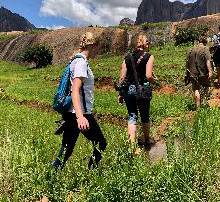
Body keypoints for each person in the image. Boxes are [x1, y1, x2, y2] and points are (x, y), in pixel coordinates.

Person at [53, 32, 107, 169]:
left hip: (73, 113)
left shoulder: (76, 61)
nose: (98, 51)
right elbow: (75, 90)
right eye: (98, 47)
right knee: (101, 143)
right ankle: (92, 174)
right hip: (80, 113)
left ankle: (52, 175)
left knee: (66, 149)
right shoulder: (81, 63)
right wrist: (80, 117)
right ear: (93, 46)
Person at [118, 34, 155, 148]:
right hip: (142, 90)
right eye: (148, 42)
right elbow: (148, 76)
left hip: (128, 90)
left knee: (132, 116)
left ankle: (132, 146)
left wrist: (120, 94)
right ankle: (147, 141)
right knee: (144, 116)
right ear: (144, 43)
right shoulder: (149, 56)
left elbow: (122, 78)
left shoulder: (127, 58)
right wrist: (154, 80)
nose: (149, 45)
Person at [185, 37, 213, 109]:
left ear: (198, 42)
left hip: (192, 73)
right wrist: (210, 71)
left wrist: (187, 72)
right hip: (203, 73)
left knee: (196, 89)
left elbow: (187, 62)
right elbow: (208, 61)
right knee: (207, 86)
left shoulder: (191, 50)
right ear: (205, 42)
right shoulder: (205, 49)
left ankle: (198, 107)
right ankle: (203, 101)